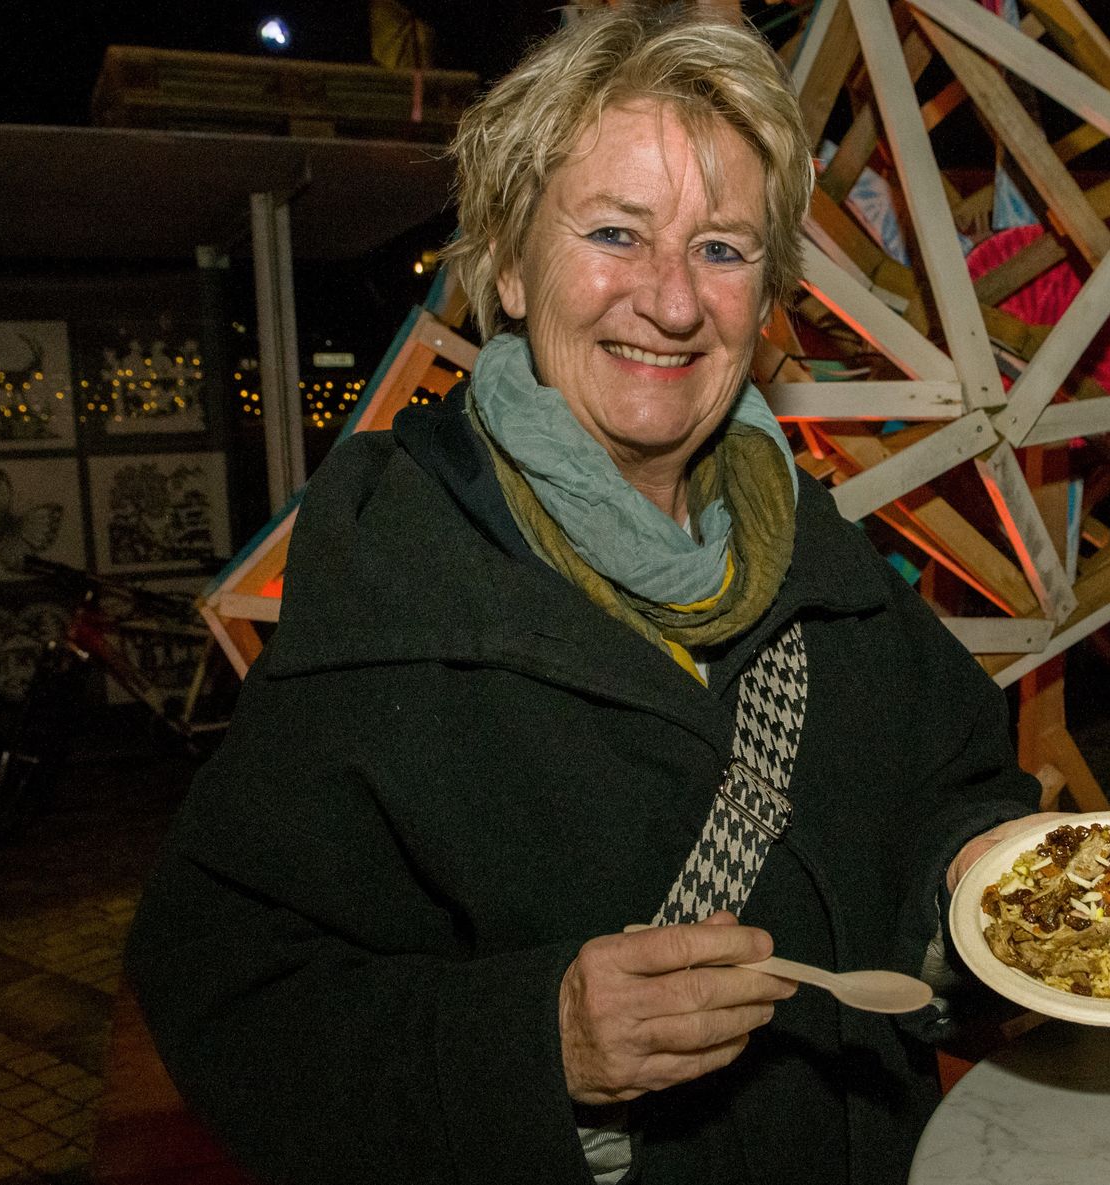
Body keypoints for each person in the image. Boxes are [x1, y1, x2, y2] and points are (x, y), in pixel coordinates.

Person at [125, 7, 1046, 1183]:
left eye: (721, 249)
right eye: (616, 233)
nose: (670, 302)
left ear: (765, 299)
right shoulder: (402, 597)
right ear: (509, 264)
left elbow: (945, 790)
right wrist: (536, 1039)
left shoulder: (824, 559)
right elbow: (229, 986)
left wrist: (975, 872)